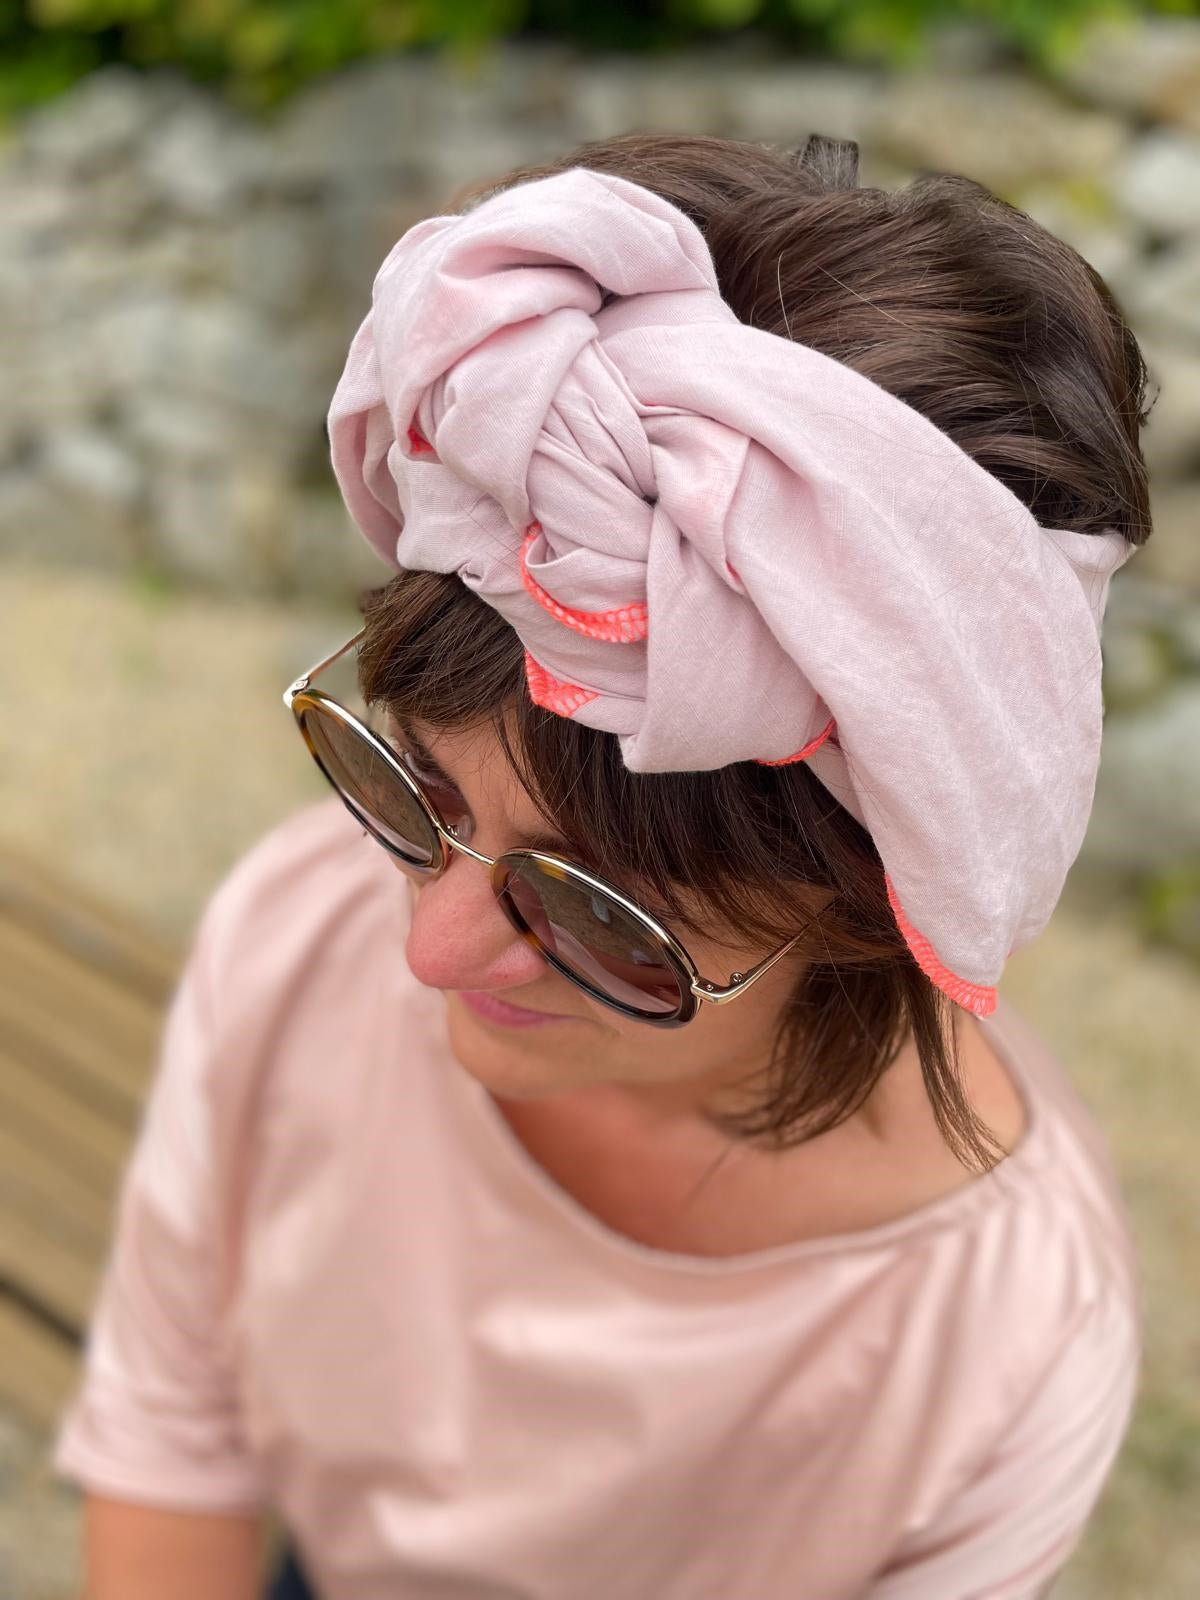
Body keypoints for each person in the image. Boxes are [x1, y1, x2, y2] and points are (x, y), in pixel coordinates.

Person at [56, 131, 1149, 1600]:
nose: (428, 952)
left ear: (863, 914)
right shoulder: (297, 931)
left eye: (602, 915)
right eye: (415, 791)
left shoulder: (1000, 1345)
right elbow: (174, 1436)